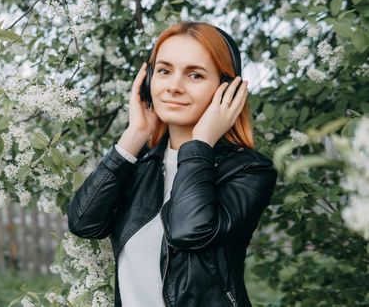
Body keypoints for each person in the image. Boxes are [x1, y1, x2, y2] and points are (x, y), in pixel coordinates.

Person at [66, 21, 278, 307]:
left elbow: (188, 231)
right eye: (164, 71)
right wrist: (135, 134)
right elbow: (84, 222)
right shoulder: (140, 163)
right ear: (148, 79)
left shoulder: (249, 170)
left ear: (227, 90)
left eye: (195, 75)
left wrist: (200, 142)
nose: (174, 87)